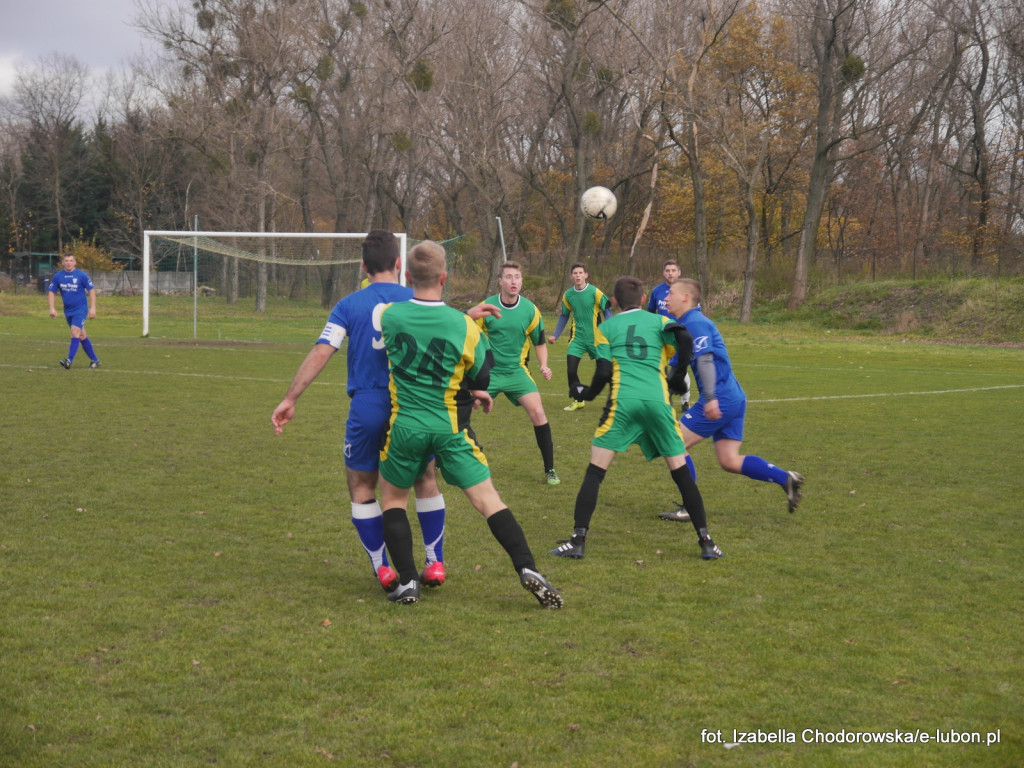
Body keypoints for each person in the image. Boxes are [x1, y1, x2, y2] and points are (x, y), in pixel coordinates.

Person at [272, 230, 472, 593]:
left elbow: (322, 350)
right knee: (425, 480)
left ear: (364, 266)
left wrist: (291, 398)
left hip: (367, 405)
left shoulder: (349, 305)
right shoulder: (416, 297)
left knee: (362, 486)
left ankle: (383, 569)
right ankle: (434, 561)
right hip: (410, 406)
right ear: (400, 264)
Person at [376, 240, 562, 607]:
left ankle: (409, 581)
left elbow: (410, 323)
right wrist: (477, 390)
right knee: (488, 499)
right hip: (450, 429)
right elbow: (480, 375)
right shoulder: (464, 326)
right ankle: (527, 567)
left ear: (408, 276)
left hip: (406, 426)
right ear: (445, 277)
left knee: (394, 498)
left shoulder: (390, 315)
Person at [549, 275, 723, 560]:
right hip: (658, 402)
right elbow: (685, 337)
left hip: (623, 403)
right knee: (680, 473)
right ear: (644, 300)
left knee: (595, 472)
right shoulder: (659, 321)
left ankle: (578, 540)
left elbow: (604, 372)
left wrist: (587, 394)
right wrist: (677, 377)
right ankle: (706, 541)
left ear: (614, 302)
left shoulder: (606, 327)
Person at [663, 278, 804, 517]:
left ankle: (690, 507)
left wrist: (710, 398)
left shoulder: (694, 323)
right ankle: (785, 478)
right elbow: (676, 365)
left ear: (686, 297)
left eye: (671, 293)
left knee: (673, 444)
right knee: (729, 460)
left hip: (720, 397)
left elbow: (705, 360)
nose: (666, 298)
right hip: (733, 396)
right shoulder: (685, 325)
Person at [475, 261, 560, 486]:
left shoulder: (531, 310)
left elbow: (539, 342)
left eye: (518, 277)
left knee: (539, 413)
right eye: (509, 277)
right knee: (462, 409)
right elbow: (471, 336)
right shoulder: (487, 306)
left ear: (522, 281)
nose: (514, 281)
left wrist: (543, 365)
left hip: (516, 372)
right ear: (500, 281)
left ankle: (550, 469)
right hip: (489, 373)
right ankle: (441, 458)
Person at [646, 259, 694, 522]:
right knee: (729, 459)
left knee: (676, 444)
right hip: (663, 336)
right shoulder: (656, 292)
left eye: (674, 270)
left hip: (679, 336)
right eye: (667, 270)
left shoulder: (691, 315)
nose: (670, 274)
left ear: (679, 273)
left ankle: (684, 400)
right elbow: (652, 313)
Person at [548, 262, 612, 411]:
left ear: (586, 275)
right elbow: (564, 315)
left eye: (580, 273)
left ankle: (614, 401)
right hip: (577, 339)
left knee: (605, 373)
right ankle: (578, 399)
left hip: (597, 339)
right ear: (571, 276)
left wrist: (610, 332)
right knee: (571, 371)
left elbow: (607, 311)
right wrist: (555, 335)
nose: (578, 276)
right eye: (575, 273)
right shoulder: (568, 295)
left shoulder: (595, 292)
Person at [48, 253, 100, 369]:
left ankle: (69, 361)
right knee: (81, 335)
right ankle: (95, 360)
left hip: (80, 309)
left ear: (75, 262)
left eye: (71, 261)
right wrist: (52, 308)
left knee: (74, 332)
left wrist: (93, 308)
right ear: (63, 263)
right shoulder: (58, 276)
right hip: (68, 311)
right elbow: (51, 291)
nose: (68, 263)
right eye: (66, 261)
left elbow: (91, 290)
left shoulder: (81, 275)